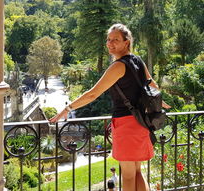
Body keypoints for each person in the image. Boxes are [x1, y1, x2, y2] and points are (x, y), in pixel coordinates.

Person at [50, 23, 170, 191]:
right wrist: (161, 102)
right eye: (108, 39)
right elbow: (152, 85)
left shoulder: (118, 66)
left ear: (126, 42)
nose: (110, 43)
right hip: (141, 122)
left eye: (115, 39)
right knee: (136, 171)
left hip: (127, 125)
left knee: (128, 176)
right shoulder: (137, 60)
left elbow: (93, 94)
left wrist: (67, 108)